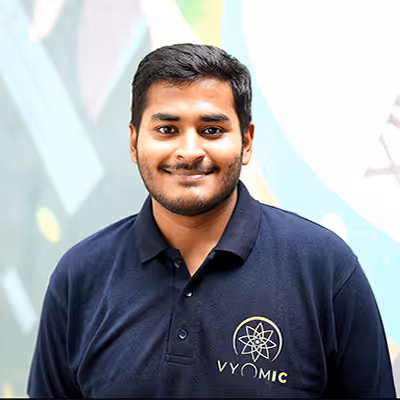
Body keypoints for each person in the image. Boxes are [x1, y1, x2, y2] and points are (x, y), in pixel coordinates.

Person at [27, 43, 396, 398]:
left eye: (212, 130)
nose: (189, 152)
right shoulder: (79, 276)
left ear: (247, 142)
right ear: (134, 141)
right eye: (167, 129)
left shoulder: (326, 270)